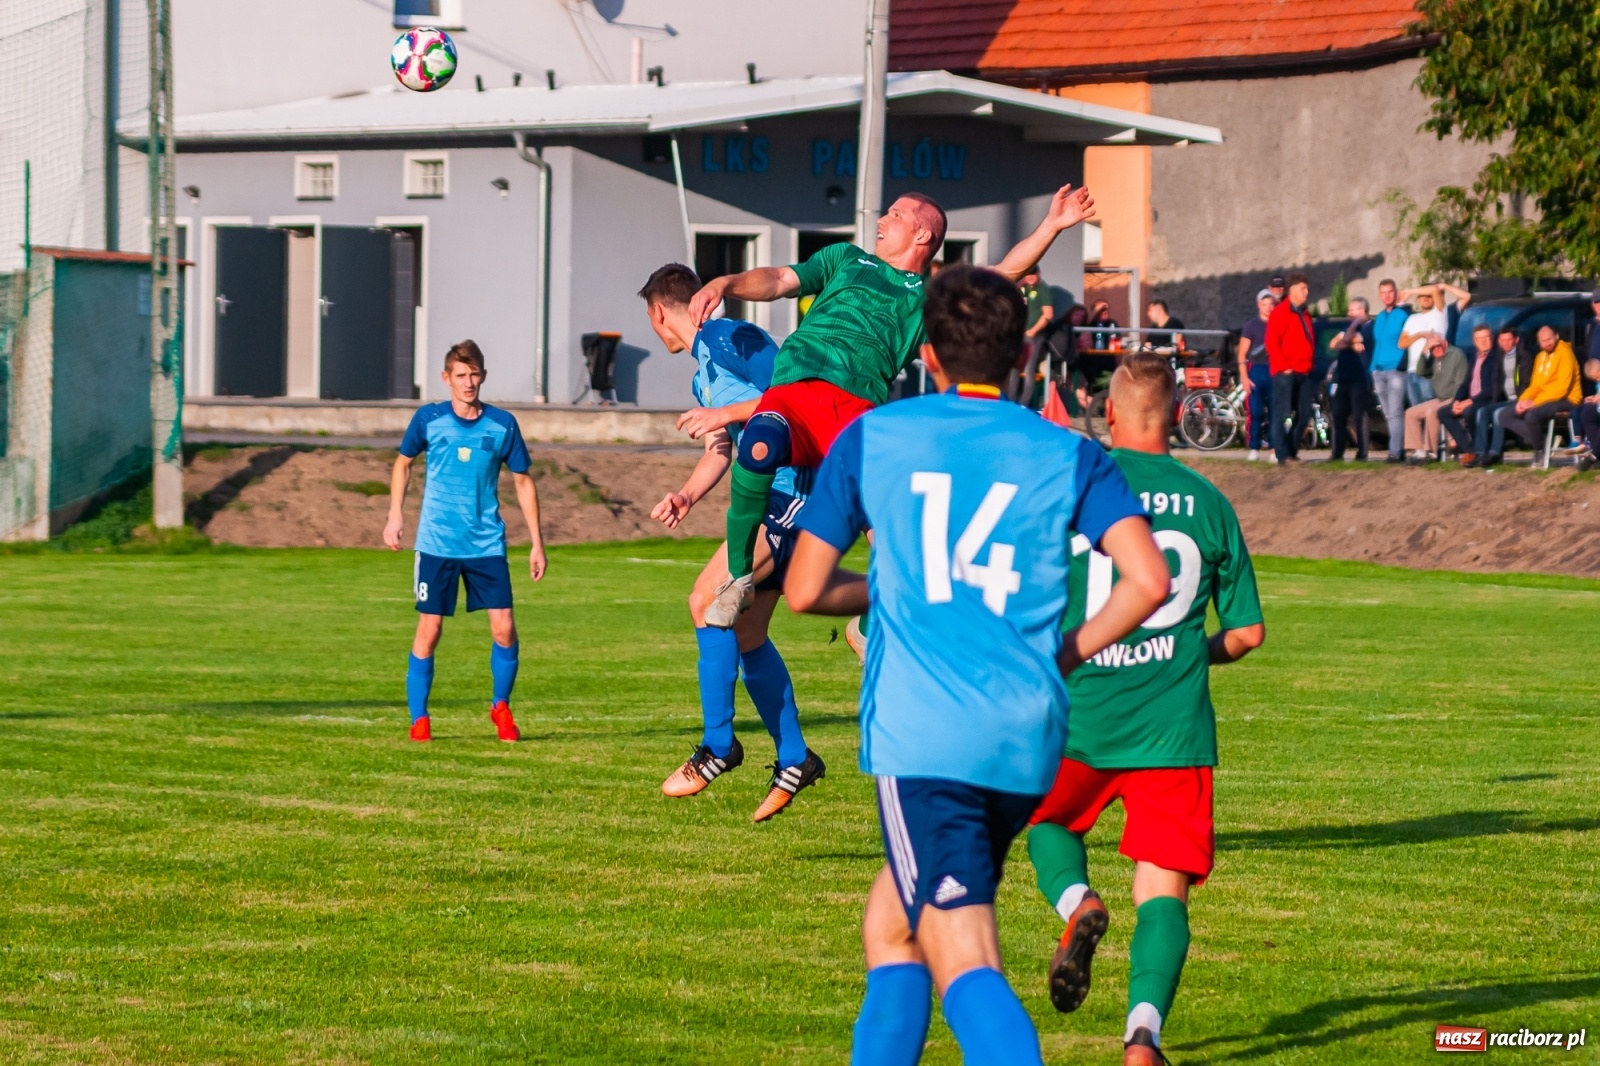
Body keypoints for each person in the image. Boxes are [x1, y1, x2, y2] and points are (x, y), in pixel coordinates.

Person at [783, 265, 1170, 1066]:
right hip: (1026, 736)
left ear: (927, 354)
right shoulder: (1069, 450)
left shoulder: (876, 437)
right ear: (1022, 355)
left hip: (930, 737)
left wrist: (891, 588)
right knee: (894, 923)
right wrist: (1065, 651)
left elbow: (805, 589)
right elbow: (1148, 579)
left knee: (965, 952)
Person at [690, 184, 1096, 628]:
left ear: (922, 236)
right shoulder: (844, 259)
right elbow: (780, 280)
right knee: (760, 447)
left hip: (856, 411)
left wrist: (1053, 224)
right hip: (795, 393)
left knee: (886, 521)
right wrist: (725, 283)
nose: (881, 221)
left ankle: (870, 625)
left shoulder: (930, 295)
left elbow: (1001, 273)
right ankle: (739, 575)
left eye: (896, 216)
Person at [1028, 351, 1265, 1066]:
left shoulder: (1072, 485)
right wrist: (1199, 653)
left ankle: (1078, 906)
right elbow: (1248, 634)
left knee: (1046, 821)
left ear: (1110, 415)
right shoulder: (1210, 503)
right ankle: (1142, 1037)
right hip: (1172, 728)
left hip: (1078, 712)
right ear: (1176, 423)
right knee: (1164, 884)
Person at [637, 264, 825, 821]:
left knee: (704, 602)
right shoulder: (701, 373)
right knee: (746, 633)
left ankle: (719, 746)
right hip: (767, 501)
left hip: (791, 494)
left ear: (657, 312)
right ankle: (795, 756)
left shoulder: (730, 338)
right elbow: (721, 448)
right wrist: (687, 496)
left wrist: (726, 411)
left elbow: (792, 397)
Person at [384, 340, 547, 744]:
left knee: (504, 628)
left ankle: (500, 706)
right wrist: (394, 516)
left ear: (484, 376)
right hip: (436, 543)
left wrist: (537, 543)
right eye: (461, 375)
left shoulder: (502, 424)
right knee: (430, 628)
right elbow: (403, 463)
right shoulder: (429, 420)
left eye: (474, 374)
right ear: (446, 378)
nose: (469, 382)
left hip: (486, 544)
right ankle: (419, 719)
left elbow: (524, 481)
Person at [1491, 325, 1582, 464]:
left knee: (1531, 415)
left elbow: (1561, 389)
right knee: (1504, 415)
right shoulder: (1540, 357)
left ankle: (1539, 449)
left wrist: (1535, 402)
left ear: (1556, 336)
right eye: (1543, 340)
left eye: (1549, 339)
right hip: (1544, 399)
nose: (1547, 343)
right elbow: (1535, 386)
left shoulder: (1565, 353)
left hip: (1567, 399)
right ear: (1539, 342)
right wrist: (1523, 401)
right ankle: (1544, 440)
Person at [1265, 273, 1315, 463]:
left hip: (1304, 371)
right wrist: (1283, 366)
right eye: (1303, 288)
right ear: (1292, 290)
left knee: (1304, 413)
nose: (1306, 292)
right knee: (1282, 413)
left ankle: (1291, 450)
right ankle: (1282, 454)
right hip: (1286, 372)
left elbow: (1309, 340)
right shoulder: (1280, 312)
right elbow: (1272, 341)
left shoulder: (1304, 312)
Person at [1439, 323, 1505, 466]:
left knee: (1470, 412)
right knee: (1444, 412)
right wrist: (1457, 401)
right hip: (1471, 399)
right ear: (1474, 342)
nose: (1483, 341)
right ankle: (1470, 450)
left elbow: (1491, 389)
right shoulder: (1474, 358)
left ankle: (1478, 450)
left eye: (1486, 337)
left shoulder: (1496, 357)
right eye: (1479, 339)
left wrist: (1469, 401)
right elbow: (1465, 384)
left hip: (1487, 400)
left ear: (1491, 338)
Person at [1401, 334, 1468, 463]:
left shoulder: (1457, 355)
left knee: (1432, 412)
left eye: (1438, 346)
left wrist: (1455, 401)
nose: (1436, 349)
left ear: (1445, 343)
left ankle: (1431, 452)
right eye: (1433, 347)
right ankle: (1419, 451)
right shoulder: (1434, 356)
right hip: (1440, 398)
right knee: (1411, 413)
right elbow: (1421, 371)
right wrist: (1425, 349)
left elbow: (1461, 384)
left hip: (1454, 397)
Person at [1327, 296, 1374, 461]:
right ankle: (1337, 453)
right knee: (1338, 415)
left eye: (1352, 310)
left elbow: (1346, 339)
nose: (1348, 313)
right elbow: (1334, 344)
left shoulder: (1368, 327)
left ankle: (1362, 453)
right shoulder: (1348, 326)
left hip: (1359, 379)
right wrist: (1349, 341)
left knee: (1359, 416)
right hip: (1342, 378)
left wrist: (1349, 335)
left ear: (1362, 311)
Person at [1468, 327, 1523, 464]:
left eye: (1509, 340)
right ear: (1499, 341)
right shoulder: (1500, 357)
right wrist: (1493, 401)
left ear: (1516, 340)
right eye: (1503, 340)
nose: (1506, 343)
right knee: (1483, 411)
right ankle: (1480, 452)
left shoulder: (1523, 356)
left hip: (1518, 399)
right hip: (1504, 399)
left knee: (1497, 413)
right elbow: (1497, 382)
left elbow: (1525, 383)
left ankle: (1494, 453)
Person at [1370, 279, 1410, 463]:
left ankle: (1395, 452)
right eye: (1383, 292)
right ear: (1380, 295)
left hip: (1395, 370)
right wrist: (1372, 369)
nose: (1387, 295)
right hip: (1379, 371)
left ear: (1396, 293)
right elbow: (1377, 344)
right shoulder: (1379, 317)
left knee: (1395, 411)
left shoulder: (1403, 314)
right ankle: (1396, 448)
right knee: (1387, 413)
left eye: (1390, 292)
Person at [1236, 289, 1276, 460]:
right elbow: (1242, 355)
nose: (1268, 308)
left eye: (1271, 304)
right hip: (1257, 370)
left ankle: (1274, 449)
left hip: (1275, 370)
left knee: (1276, 412)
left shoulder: (1279, 323)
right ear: (1258, 306)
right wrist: (1244, 378)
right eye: (1264, 304)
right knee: (1255, 411)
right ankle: (1254, 447)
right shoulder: (1251, 325)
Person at [1397, 285, 1450, 406]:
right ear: (1418, 299)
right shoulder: (1412, 318)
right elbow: (1402, 343)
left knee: (1431, 411)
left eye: (1428, 296)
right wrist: (1420, 334)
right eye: (1422, 296)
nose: (1425, 299)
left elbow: (1435, 289)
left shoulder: (1439, 314)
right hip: (1412, 371)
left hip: (1430, 371)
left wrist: (1410, 291)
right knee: (1416, 413)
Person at [1012, 268, 1057, 405]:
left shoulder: (1043, 289)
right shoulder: (1022, 288)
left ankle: (1024, 404)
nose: (1030, 277)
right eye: (1028, 274)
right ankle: (1011, 401)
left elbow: (1048, 314)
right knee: (1013, 369)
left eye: (1033, 274)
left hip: (1034, 337)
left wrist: (1033, 331)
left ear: (1038, 274)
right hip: (1019, 335)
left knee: (1029, 370)